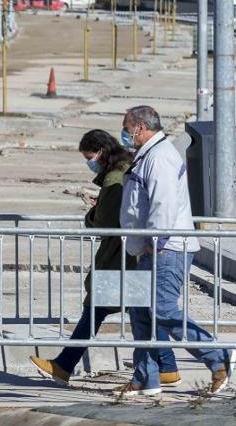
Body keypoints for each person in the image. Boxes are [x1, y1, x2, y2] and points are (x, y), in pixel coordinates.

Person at [29, 130, 181, 388]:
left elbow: (105, 220)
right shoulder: (125, 168)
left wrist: (92, 213)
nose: (89, 162)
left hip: (122, 256)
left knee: (112, 309)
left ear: (100, 152)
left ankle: (65, 364)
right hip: (127, 255)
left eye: (90, 157)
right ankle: (167, 367)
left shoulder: (114, 178)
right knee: (136, 312)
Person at [118, 105, 236, 396]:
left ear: (140, 128)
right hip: (148, 249)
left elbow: (164, 205)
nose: (125, 134)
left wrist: (156, 241)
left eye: (127, 128)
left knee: (163, 310)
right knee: (141, 314)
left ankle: (217, 356)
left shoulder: (160, 158)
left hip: (165, 249)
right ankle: (146, 377)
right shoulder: (147, 156)